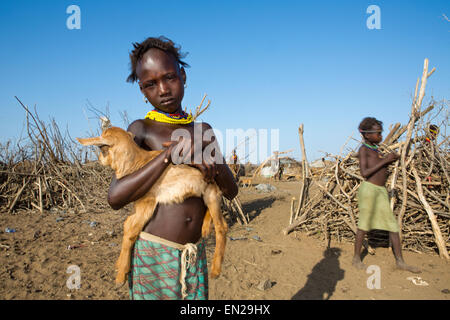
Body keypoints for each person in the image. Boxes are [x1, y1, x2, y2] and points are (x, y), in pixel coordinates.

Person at [108, 36, 238, 300]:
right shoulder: (141, 130)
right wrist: (169, 155)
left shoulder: (203, 132)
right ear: (142, 92)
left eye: (169, 77)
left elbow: (231, 190)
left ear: (183, 75)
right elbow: (116, 196)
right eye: (150, 84)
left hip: (195, 254)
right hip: (153, 253)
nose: (163, 89)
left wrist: (209, 162)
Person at [352, 117, 420, 273]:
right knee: (364, 224)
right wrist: (385, 161)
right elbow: (365, 173)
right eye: (378, 133)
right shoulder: (364, 150)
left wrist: (388, 160)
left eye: (381, 133)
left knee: (392, 225)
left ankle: (400, 262)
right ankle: (356, 258)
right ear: (367, 135)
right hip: (369, 190)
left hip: (381, 191)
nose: (381, 136)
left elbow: (379, 167)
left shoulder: (376, 149)